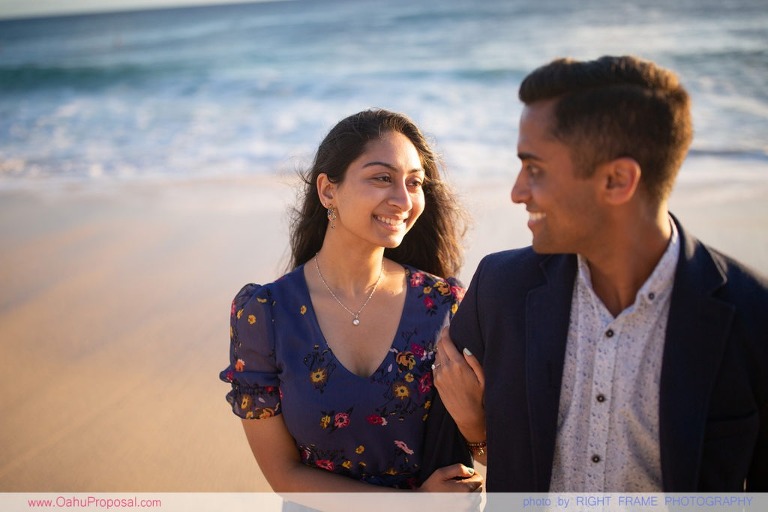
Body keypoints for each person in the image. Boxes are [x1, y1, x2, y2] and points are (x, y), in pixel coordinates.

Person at [433, 55, 768, 492]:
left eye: (534, 169)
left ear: (617, 180)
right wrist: (477, 432)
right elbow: (443, 462)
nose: (516, 192)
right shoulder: (499, 289)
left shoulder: (752, 315)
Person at [219, 109, 481, 492]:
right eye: (382, 178)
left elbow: (490, 448)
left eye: (414, 182)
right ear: (328, 190)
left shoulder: (443, 304)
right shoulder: (265, 314)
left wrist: (475, 424)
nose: (403, 199)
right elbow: (283, 475)